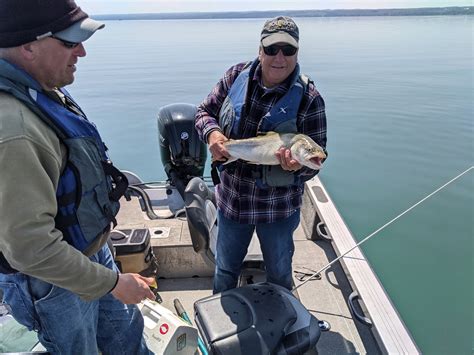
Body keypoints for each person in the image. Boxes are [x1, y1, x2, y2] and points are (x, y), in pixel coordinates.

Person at [0, 1, 155, 353]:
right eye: (70, 42)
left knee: (126, 339)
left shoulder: (38, 88)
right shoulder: (14, 130)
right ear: (28, 46)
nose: (82, 51)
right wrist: (113, 284)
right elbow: (30, 247)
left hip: (90, 253)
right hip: (51, 281)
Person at [195, 16, 327, 293]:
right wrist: (214, 135)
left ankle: (282, 322)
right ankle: (220, 319)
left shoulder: (310, 98)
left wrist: (298, 168)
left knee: (279, 274)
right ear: (260, 50)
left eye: (288, 50)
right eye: (271, 49)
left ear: (297, 53)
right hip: (232, 201)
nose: (279, 57)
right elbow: (204, 112)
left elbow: (315, 163)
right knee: (225, 268)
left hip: (278, 209)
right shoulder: (235, 77)